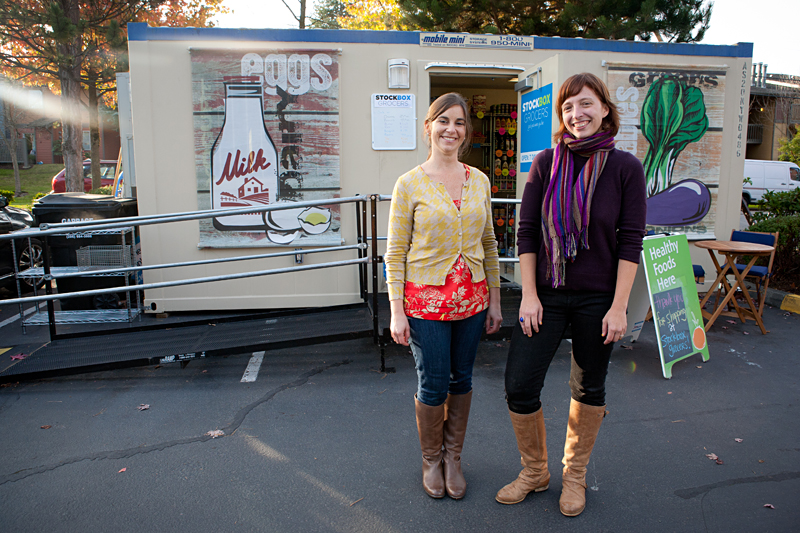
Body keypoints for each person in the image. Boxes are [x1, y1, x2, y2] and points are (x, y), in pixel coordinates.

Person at [495, 73, 646, 516]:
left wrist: (619, 307)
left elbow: (629, 241)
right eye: (567, 108)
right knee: (519, 384)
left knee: (589, 387)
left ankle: (574, 476)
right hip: (545, 294)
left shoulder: (625, 168)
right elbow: (525, 232)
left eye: (585, 104)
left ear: (603, 108)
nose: (576, 115)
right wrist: (528, 295)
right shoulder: (546, 162)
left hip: (598, 300)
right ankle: (535, 471)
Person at [385, 92, 503, 500]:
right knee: (433, 382)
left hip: (472, 301)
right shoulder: (409, 184)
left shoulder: (480, 180)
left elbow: (489, 243)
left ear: (466, 132)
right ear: (429, 127)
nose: (451, 129)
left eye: (458, 122)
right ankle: (431, 459)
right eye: (443, 121)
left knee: (462, 378)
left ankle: (454, 457)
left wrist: (496, 300)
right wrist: (396, 312)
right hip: (425, 304)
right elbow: (395, 252)